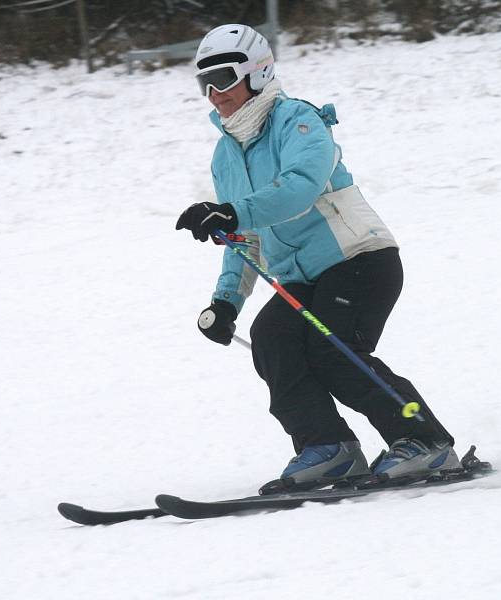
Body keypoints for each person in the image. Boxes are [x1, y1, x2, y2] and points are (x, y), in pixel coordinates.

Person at [176, 24, 458, 487]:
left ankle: (425, 442)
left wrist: (230, 212)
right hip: (303, 276)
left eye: (223, 78)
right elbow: (244, 236)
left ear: (258, 73)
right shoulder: (226, 155)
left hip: (359, 258)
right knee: (272, 338)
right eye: (203, 82)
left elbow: (299, 190)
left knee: (333, 347)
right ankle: (327, 447)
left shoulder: (298, 121)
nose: (213, 93)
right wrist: (226, 301)